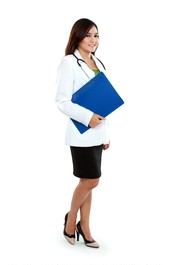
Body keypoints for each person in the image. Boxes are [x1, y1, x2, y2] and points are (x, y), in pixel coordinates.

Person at [55, 18, 110, 248]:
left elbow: (103, 102)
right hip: (81, 132)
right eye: (88, 35)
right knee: (91, 180)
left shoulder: (98, 62)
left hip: (98, 133)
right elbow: (62, 101)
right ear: (77, 36)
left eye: (96, 35)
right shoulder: (69, 62)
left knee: (87, 181)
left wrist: (106, 134)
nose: (93, 40)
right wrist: (88, 118)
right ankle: (71, 221)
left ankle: (84, 226)